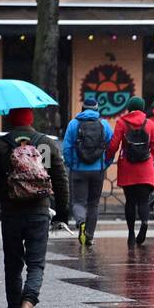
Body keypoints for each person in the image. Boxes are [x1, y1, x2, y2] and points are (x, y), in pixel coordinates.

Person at [0, 107, 70, 308]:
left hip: (11, 213)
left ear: (10, 120)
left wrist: (6, 191)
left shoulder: (1, 146)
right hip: (39, 211)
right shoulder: (46, 143)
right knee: (36, 264)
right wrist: (63, 212)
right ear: (31, 120)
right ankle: (28, 304)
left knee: (12, 266)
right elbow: (60, 179)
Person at [107, 96, 154, 246]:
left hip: (128, 168)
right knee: (143, 201)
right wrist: (147, 158)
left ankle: (131, 234)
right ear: (142, 108)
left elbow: (114, 145)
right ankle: (144, 223)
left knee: (130, 201)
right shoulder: (149, 124)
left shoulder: (121, 123)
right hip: (145, 169)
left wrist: (107, 158)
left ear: (129, 107)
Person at [62, 97, 113, 247]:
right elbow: (111, 147)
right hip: (98, 170)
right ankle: (89, 236)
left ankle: (80, 221)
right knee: (93, 204)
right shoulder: (104, 124)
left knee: (78, 201)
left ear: (82, 109)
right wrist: (105, 164)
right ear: (97, 109)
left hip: (78, 170)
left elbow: (66, 148)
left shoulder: (73, 124)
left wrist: (72, 164)